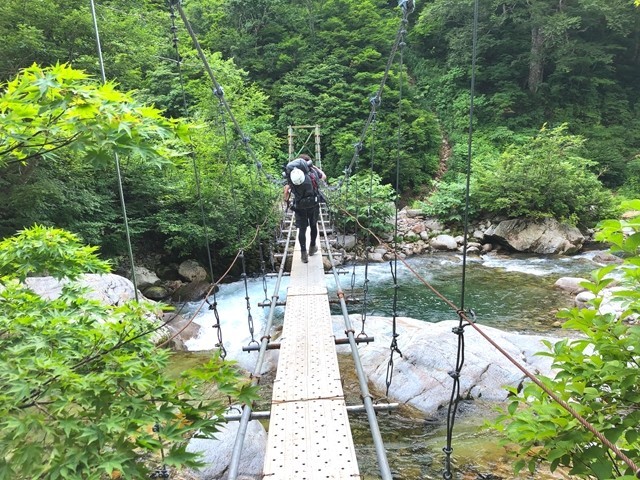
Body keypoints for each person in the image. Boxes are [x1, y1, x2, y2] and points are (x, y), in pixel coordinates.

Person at [284, 154, 326, 263]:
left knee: (302, 229)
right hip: (313, 203)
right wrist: (315, 167)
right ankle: (312, 247)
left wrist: (287, 201)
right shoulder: (312, 173)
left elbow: (286, 191)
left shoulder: (293, 175)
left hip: (300, 206)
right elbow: (324, 177)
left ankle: (303, 254)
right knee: (313, 226)